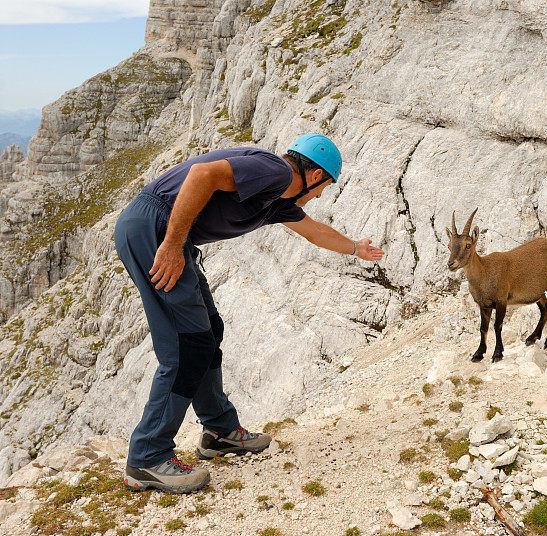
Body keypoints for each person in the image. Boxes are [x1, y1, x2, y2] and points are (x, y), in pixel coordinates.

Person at [114, 134, 384, 493]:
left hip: (167, 233)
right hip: (155, 229)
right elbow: (201, 175)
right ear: (316, 175)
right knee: (187, 345)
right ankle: (148, 457)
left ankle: (220, 432)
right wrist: (172, 244)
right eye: (324, 188)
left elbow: (315, 232)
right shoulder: (274, 171)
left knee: (209, 329)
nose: (320, 196)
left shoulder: (277, 201)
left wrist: (355, 248)